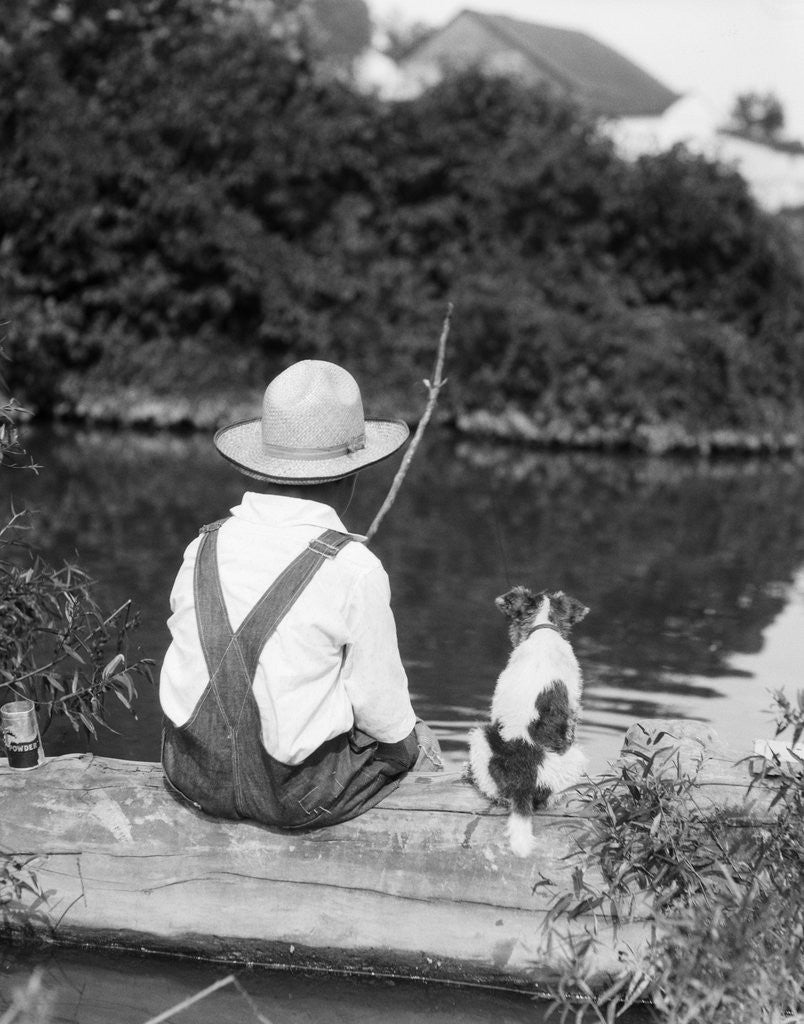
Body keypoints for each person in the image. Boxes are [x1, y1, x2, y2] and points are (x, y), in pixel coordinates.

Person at [159, 359, 442, 829]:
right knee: (409, 739)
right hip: (296, 797)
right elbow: (383, 714)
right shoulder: (355, 568)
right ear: (352, 476)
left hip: (191, 776)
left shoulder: (202, 545)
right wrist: (413, 738)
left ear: (264, 466)